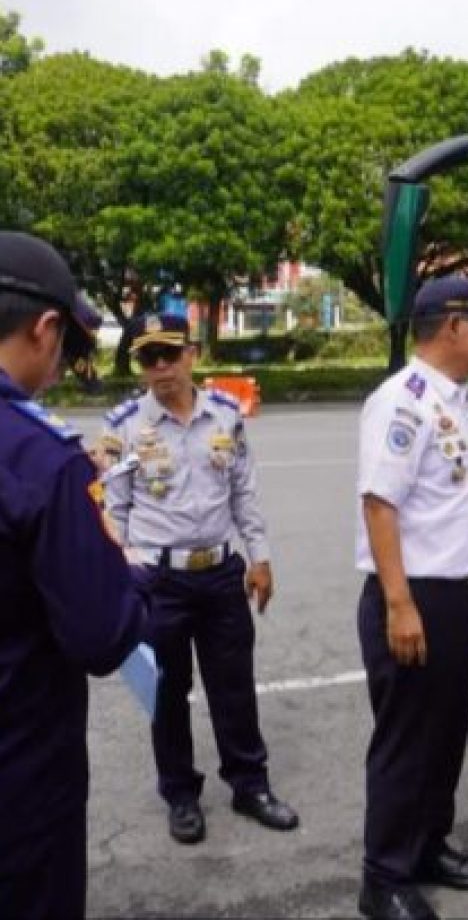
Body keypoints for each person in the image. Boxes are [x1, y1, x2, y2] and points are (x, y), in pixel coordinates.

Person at [101, 312, 299, 845]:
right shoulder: (122, 427)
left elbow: (244, 494)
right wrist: (123, 580)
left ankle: (249, 784)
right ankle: (181, 794)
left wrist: (260, 558)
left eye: (170, 353)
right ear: (141, 366)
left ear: (193, 353)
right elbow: (113, 514)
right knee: (168, 692)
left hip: (220, 573)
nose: (161, 367)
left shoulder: (226, 416)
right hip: (157, 579)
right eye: (148, 357)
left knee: (233, 686)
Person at [0, 230, 150, 919]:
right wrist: (125, 569)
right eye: (65, 348)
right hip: (20, 780)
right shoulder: (42, 457)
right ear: (45, 328)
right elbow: (101, 635)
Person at [355, 277, 468, 920]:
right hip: (412, 597)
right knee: (406, 742)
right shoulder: (404, 401)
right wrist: (399, 603)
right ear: (453, 325)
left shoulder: (455, 402)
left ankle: (427, 847)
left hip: (452, 598)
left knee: (445, 736)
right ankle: (382, 878)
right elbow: (379, 503)